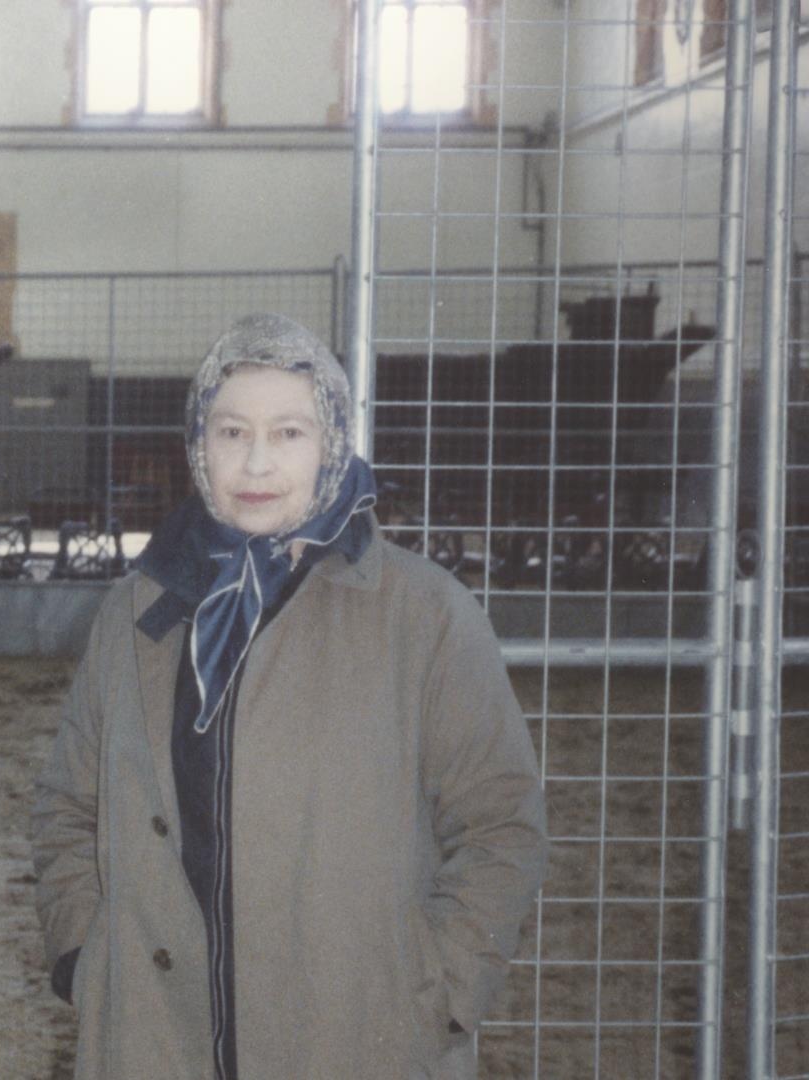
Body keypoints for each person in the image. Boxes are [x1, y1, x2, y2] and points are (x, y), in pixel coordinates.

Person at [31, 313, 547, 1079]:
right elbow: (68, 805)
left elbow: (502, 824)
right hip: (154, 1038)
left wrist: (435, 994)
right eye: (231, 431)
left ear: (333, 441)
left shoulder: (426, 614)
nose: (257, 462)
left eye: (290, 433)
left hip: (358, 1039)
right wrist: (86, 956)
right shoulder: (139, 608)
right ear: (198, 446)